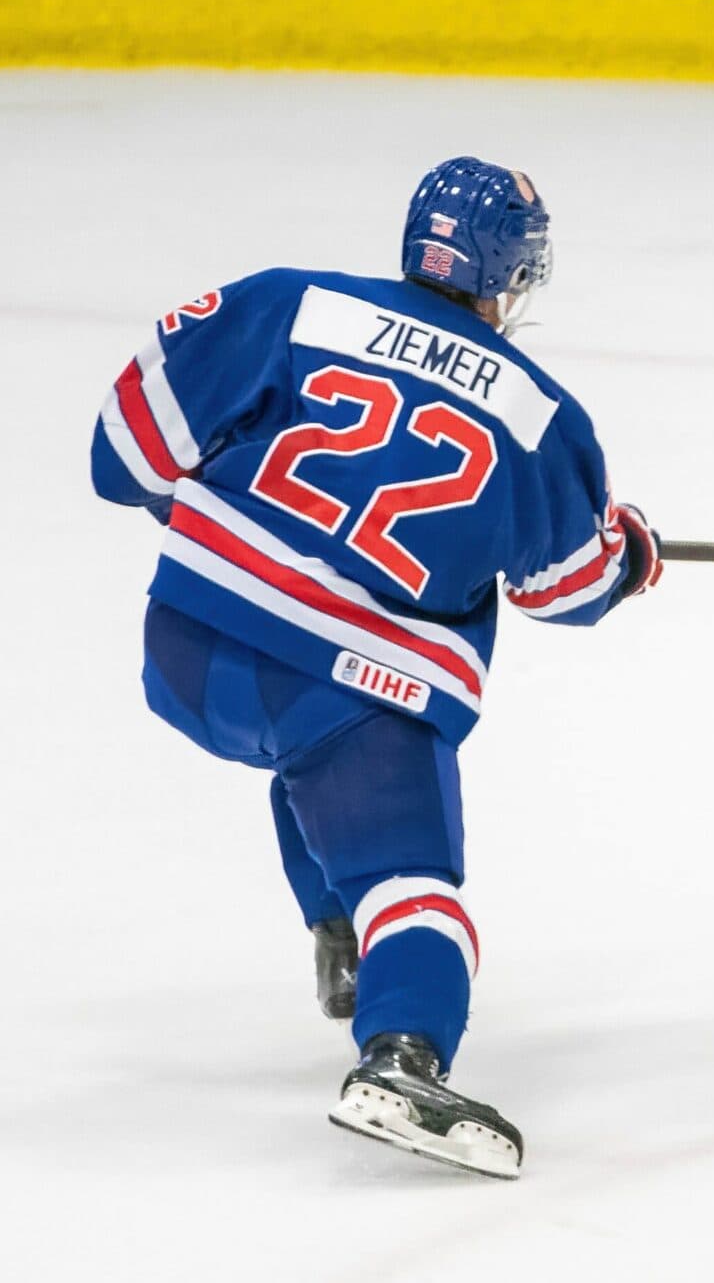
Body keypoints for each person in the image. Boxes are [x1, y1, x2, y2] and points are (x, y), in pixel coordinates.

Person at [90, 157, 662, 1180]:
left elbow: (120, 451)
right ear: (512, 274)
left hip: (184, 648)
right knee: (411, 878)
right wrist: (629, 555)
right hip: (349, 697)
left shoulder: (283, 301)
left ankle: (340, 928)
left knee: (301, 749)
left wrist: (222, 523)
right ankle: (400, 1054)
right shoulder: (539, 413)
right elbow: (563, 589)